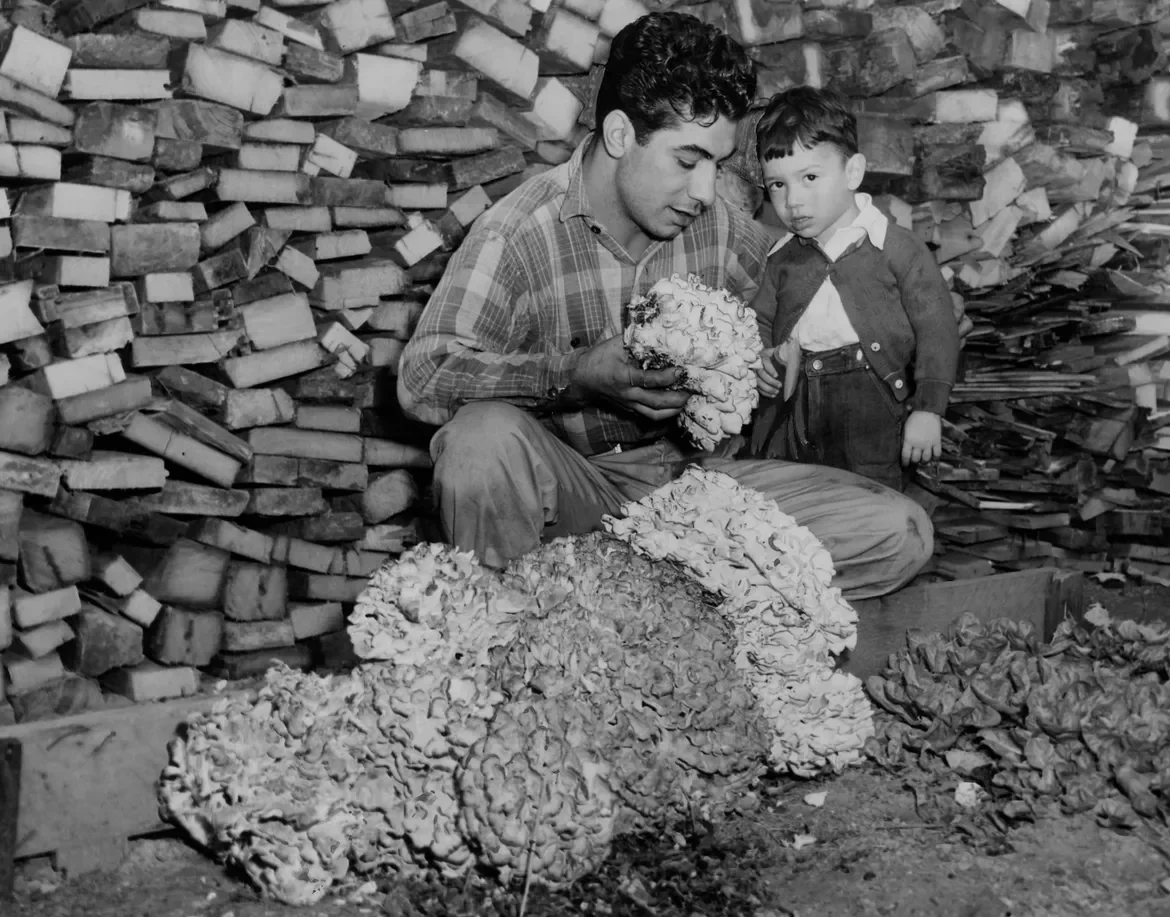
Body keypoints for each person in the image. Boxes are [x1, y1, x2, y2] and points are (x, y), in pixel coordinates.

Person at [397, 11, 945, 599]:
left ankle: (656, 608)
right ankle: (541, 624)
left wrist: (895, 322)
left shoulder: (722, 230)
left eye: (717, 164)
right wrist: (575, 375)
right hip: (578, 498)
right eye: (687, 161)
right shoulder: (518, 233)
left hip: (702, 493)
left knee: (897, 532)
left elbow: (805, 298)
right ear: (619, 135)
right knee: (479, 444)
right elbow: (422, 378)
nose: (705, 191)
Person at [747, 87, 960, 492]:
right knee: (794, 497)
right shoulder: (782, 259)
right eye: (777, 185)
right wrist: (761, 359)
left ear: (852, 172)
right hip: (797, 404)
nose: (793, 200)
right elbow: (759, 320)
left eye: (810, 177)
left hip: (870, 402)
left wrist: (928, 409)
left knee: (871, 496)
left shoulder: (897, 249)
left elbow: (937, 328)